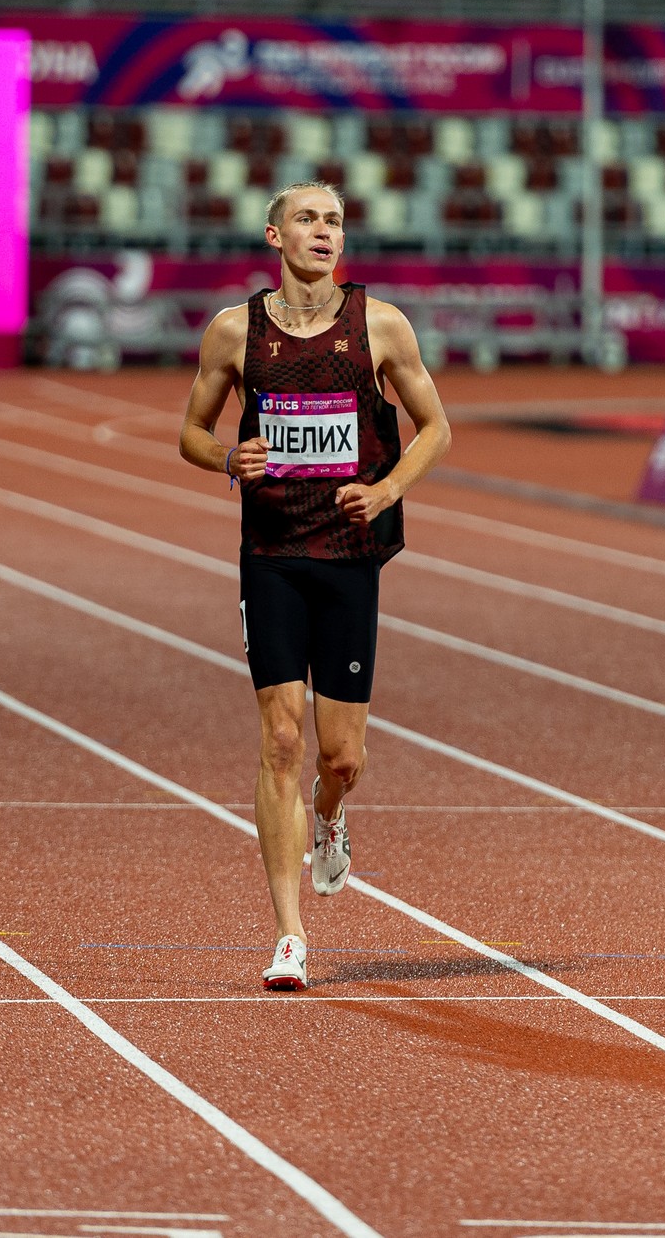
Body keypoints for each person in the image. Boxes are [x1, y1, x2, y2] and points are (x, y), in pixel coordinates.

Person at [177, 180, 451, 992]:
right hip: (271, 553)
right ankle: (289, 935)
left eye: (334, 220)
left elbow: (437, 427)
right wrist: (228, 458)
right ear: (275, 235)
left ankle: (329, 812)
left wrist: (387, 489)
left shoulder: (379, 325)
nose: (323, 230)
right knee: (280, 738)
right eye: (307, 218)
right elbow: (190, 431)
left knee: (341, 755)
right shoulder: (236, 331)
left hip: (348, 554)